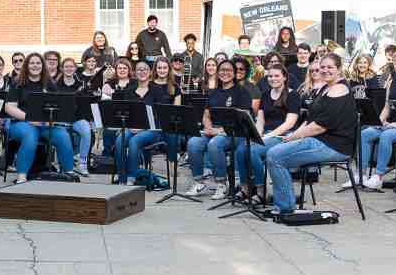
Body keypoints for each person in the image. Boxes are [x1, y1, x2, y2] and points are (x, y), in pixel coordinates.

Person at [266, 53, 357, 214]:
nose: (325, 70)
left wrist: (293, 137)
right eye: (323, 67)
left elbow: (320, 126)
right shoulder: (325, 88)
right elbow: (310, 120)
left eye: (330, 67)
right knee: (272, 149)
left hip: (334, 145)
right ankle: (278, 199)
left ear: (339, 69)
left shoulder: (339, 89)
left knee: (275, 156)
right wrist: (292, 136)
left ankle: (286, 207)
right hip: (320, 140)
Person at [348, 51, 396, 189]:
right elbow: (386, 107)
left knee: (386, 135)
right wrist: (378, 122)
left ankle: (378, 176)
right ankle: (360, 174)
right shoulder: (391, 81)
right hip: (392, 124)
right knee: (365, 133)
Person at [185, 59, 252, 199]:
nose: (225, 73)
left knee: (215, 144)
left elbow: (241, 118)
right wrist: (208, 127)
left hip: (234, 132)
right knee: (193, 142)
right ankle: (198, 181)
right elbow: (206, 114)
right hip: (213, 130)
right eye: (222, 70)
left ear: (234, 73)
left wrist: (218, 131)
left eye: (228, 70)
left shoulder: (242, 92)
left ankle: (222, 183)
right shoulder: (215, 92)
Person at [5, 53, 75, 183]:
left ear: (43, 66)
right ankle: (22, 177)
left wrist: (52, 121)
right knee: (30, 135)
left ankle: (69, 175)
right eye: (32, 63)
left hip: (44, 125)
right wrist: (29, 118)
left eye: (38, 63)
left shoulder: (50, 84)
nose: (35, 66)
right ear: (26, 65)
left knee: (63, 136)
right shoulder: (17, 83)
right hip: (21, 123)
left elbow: (58, 106)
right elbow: (9, 107)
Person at [235, 63, 301, 201]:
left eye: (276, 76)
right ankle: (246, 187)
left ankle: (261, 190)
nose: (273, 78)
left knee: (252, 151)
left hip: (283, 135)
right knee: (241, 150)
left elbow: (290, 123)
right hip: (266, 134)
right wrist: (257, 134)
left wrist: (268, 136)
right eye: (270, 76)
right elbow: (261, 119)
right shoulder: (265, 94)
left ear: (284, 77)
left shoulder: (292, 95)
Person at [114, 57, 181, 185]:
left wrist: (142, 128)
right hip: (132, 127)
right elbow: (124, 112)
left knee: (134, 141)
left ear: (150, 72)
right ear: (134, 72)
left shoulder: (157, 91)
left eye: (145, 69)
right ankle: (122, 178)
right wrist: (125, 126)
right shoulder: (129, 90)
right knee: (119, 141)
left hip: (153, 129)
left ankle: (131, 178)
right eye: (139, 69)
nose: (142, 72)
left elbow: (161, 115)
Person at [54, 57, 93, 176]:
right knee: (61, 135)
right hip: (61, 120)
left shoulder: (81, 85)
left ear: (75, 69)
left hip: (76, 119)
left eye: (71, 67)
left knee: (86, 130)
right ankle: (58, 163)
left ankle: (82, 163)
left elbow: (86, 106)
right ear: (62, 69)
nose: (69, 69)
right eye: (66, 67)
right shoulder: (56, 86)